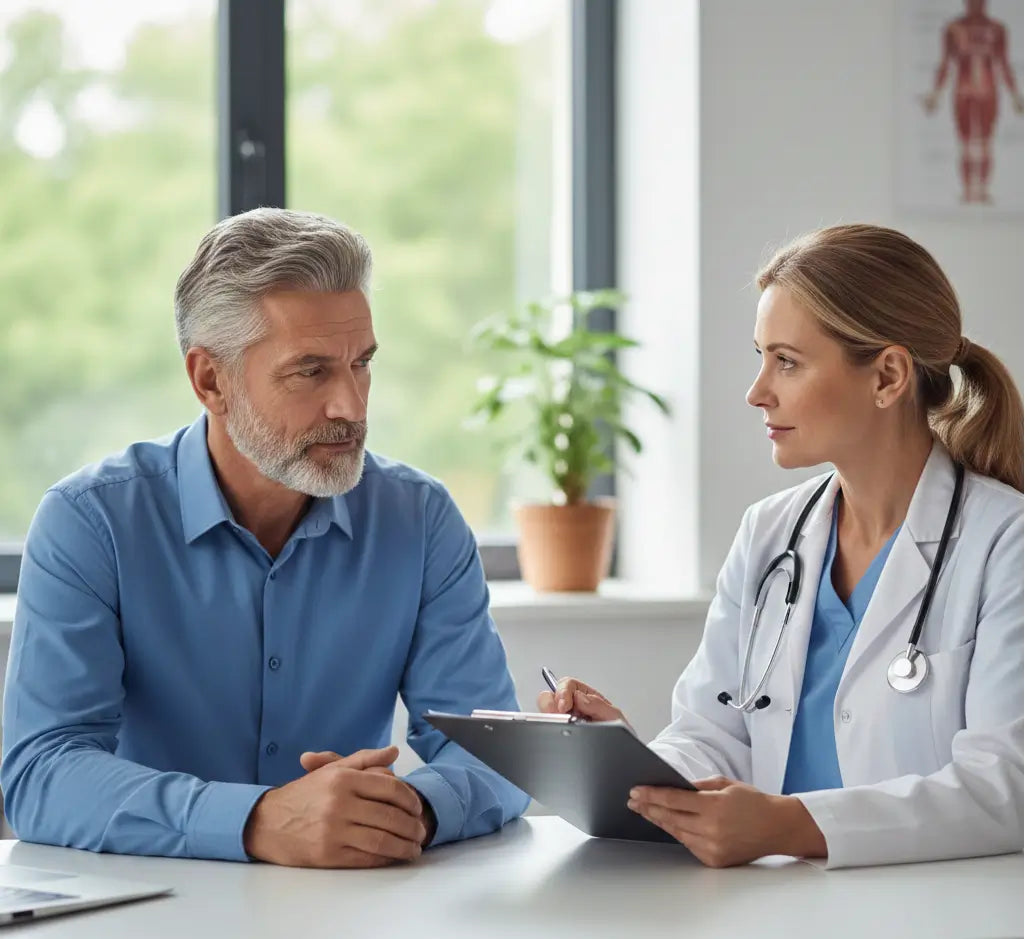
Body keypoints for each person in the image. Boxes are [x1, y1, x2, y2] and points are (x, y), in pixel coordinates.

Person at [2, 207, 529, 867]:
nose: (352, 405)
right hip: (146, 907)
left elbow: (495, 755)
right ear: (210, 380)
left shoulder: (419, 520)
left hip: (347, 905)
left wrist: (403, 811)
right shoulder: (91, 523)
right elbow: (41, 775)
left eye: (361, 363)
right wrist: (256, 820)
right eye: (310, 371)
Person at [539, 224, 1024, 869]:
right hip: (774, 905)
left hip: (930, 908)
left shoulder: (1004, 542)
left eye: (787, 362)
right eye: (761, 357)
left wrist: (790, 825)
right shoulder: (770, 534)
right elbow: (712, 736)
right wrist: (629, 765)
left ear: (887, 375)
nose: (757, 390)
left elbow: (1005, 790)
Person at [921, 0, 1024, 203]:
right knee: (966, 142)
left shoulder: (996, 29)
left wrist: (1015, 95)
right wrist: (935, 94)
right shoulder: (954, 29)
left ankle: (983, 188)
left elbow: (1003, 64)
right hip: (963, 90)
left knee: (985, 141)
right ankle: (968, 189)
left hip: (988, 90)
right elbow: (945, 64)